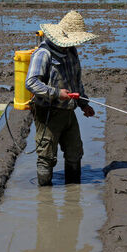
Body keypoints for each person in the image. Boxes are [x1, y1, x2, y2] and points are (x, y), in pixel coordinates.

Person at [25, 11, 97, 186]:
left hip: (68, 112)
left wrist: (83, 104)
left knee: (75, 152)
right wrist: (57, 93)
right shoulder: (43, 54)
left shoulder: (71, 52)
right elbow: (31, 82)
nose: (71, 45)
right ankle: (45, 200)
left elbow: (76, 82)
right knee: (46, 156)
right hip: (48, 113)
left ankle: (73, 194)